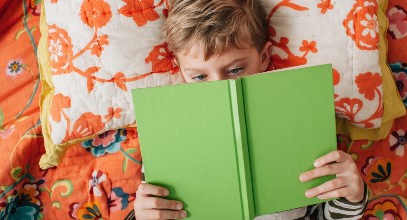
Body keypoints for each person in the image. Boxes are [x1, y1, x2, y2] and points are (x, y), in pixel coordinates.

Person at [132, 0, 368, 219]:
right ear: (181, 71)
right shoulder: (166, 135)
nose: (220, 87)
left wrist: (352, 196)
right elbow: (157, 208)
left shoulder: (301, 120)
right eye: (200, 76)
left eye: (235, 70)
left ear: (264, 57)